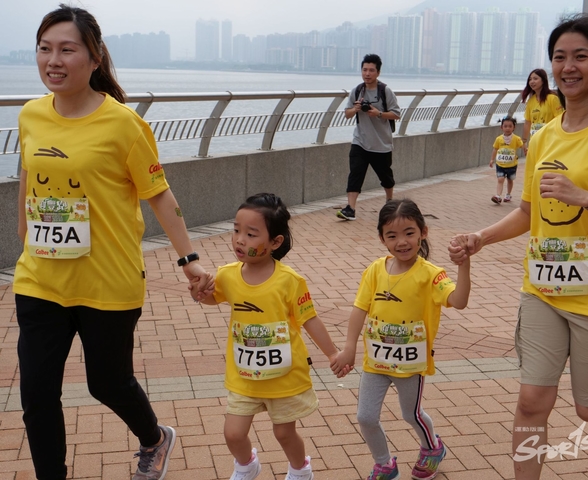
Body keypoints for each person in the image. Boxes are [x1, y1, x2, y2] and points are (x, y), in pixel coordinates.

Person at [14, 5, 209, 480]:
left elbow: (159, 194)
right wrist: (25, 240)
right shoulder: (31, 114)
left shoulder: (124, 124)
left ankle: (155, 438)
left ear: (95, 57)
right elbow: (27, 180)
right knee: (37, 394)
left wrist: (189, 260)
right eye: (44, 49)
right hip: (40, 280)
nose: (53, 60)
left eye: (67, 50)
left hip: (107, 282)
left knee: (107, 383)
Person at [449, 14, 588, 480]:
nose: (567, 67)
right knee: (532, 401)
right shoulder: (544, 135)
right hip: (544, 289)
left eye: (581, 56)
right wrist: (481, 238)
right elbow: (528, 212)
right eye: (559, 57)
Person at [189, 193, 348, 480]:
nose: (240, 240)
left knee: (284, 433)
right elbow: (214, 297)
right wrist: (200, 293)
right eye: (236, 230)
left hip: (283, 376)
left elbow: (309, 319)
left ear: (275, 242)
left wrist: (333, 353)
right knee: (233, 433)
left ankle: (300, 470)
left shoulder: (289, 281)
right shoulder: (227, 275)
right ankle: (246, 465)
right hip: (244, 374)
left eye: (251, 234)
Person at [331, 199, 471, 480]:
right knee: (365, 416)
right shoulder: (375, 270)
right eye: (392, 235)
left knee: (411, 414)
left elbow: (458, 300)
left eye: (409, 233)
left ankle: (432, 448)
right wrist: (349, 347)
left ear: (423, 232)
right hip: (376, 362)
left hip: (410, 364)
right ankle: (384, 464)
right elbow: (359, 309)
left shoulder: (431, 275)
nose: (402, 242)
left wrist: (464, 266)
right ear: (382, 238)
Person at [337, 53, 401, 221]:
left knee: (386, 177)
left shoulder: (385, 91)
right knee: (355, 174)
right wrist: (356, 109)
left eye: (371, 70)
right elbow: (347, 114)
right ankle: (350, 209)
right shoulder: (357, 91)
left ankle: (389, 201)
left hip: (381, 144)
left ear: (378, 72)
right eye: (364, 70)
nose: (367, 73)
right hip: (360, 141)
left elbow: (396, 114)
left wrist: (378, 113)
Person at [521, 68, 563, 155]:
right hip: (535, 141)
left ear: (543, 81)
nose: (532, 82)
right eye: (530, 79)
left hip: (550, 142)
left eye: (535, 79)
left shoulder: (552, 98)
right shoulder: (531, 101)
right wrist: (524, 141)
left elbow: (560, 119)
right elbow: (527, 122)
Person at [488, 116, 524, 204]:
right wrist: (492, 159)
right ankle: (498, 196)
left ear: (514, 127)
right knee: (500, 179)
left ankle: (508, 194)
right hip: (500, 164)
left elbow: (522, 146)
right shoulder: (498, 139)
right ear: (502, 127)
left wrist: (526, 150)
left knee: (510, 180)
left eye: (510, 126)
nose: (507, 128)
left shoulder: (516, 139)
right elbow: (495, 149)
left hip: (512, 165)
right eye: (505, 126)